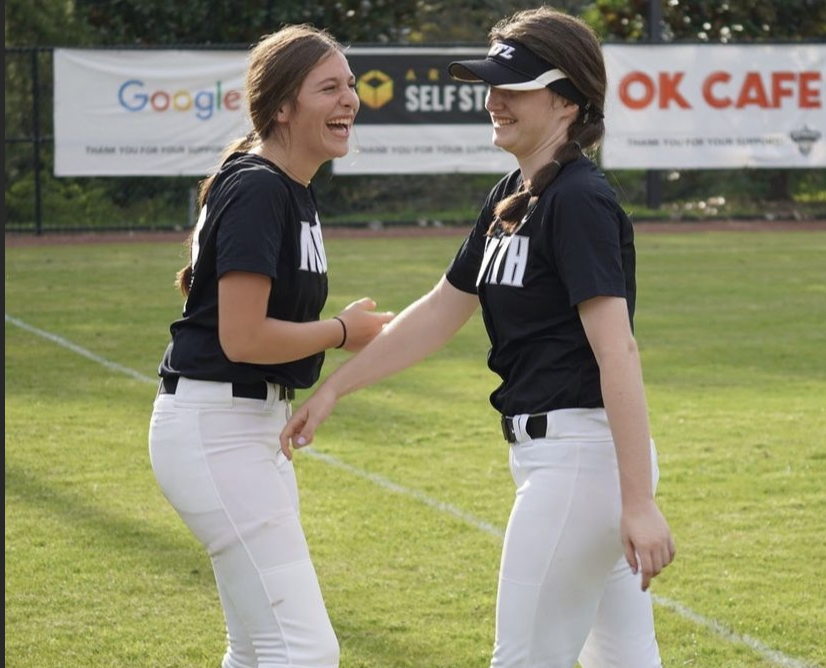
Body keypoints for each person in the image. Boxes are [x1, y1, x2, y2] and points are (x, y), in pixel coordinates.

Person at [280, 8, 676, 668]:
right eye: (491, 84)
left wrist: (639, 502)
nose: (493, 100)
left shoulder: (578, 199)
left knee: (523, 660)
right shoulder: (513, 197)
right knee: (624, 660)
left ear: (566, 99)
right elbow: (441, 308)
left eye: (513, 87)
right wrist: (336, 389)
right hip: (574, 465)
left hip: (581, 464)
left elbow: (617, 351)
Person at [148, 24, 394, 668]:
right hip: (216, 427)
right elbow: (243, 335)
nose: (350, 100)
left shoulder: (288, 187)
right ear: (282, 106)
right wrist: (342, 333)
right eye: (329, 88)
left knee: (258, 648)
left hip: (244, 425)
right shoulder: (259, 185)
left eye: (350, 85)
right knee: (305, 649)